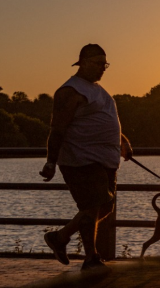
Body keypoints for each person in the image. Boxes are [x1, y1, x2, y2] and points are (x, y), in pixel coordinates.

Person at [40, 44, 133, 271]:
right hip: (81, 159)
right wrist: (51, 161)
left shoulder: (97, 90)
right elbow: (58, 128)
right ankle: (90, 257)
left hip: (104, 159)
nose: (102, 68)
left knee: (105, 207)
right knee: (93, 205)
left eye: (105, 64)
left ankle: (61, 237)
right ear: (81, 62)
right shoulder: (70, 91)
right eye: (97, 63)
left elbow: (101, 118)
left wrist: (122, 140)